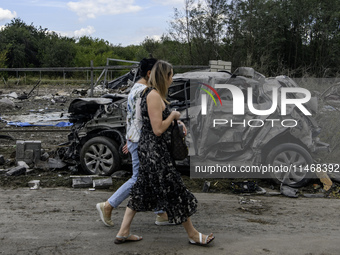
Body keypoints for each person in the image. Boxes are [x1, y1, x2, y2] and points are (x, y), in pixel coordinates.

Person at [114, 60, 215, 245]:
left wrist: (177, 122)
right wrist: (174, 116)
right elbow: (157, 129)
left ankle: (123, 231)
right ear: (164, 76)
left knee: (141, 189)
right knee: (174, 189)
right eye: (171, 75)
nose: (172, 78)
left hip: (150, 150)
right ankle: (192, 234)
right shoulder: (152, 95)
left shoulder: (151, 94)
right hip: (155, 152)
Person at [96, 58, 170, 226]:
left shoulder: (135, 89)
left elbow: (131, 118)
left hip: (135, 139)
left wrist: (129, 139)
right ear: (150, 73)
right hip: (142, 141)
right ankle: (108, 205)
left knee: (153, 176)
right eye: (159, 73)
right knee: (139, 178)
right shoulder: (145, 91)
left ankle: (161, 212)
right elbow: (144, 120)